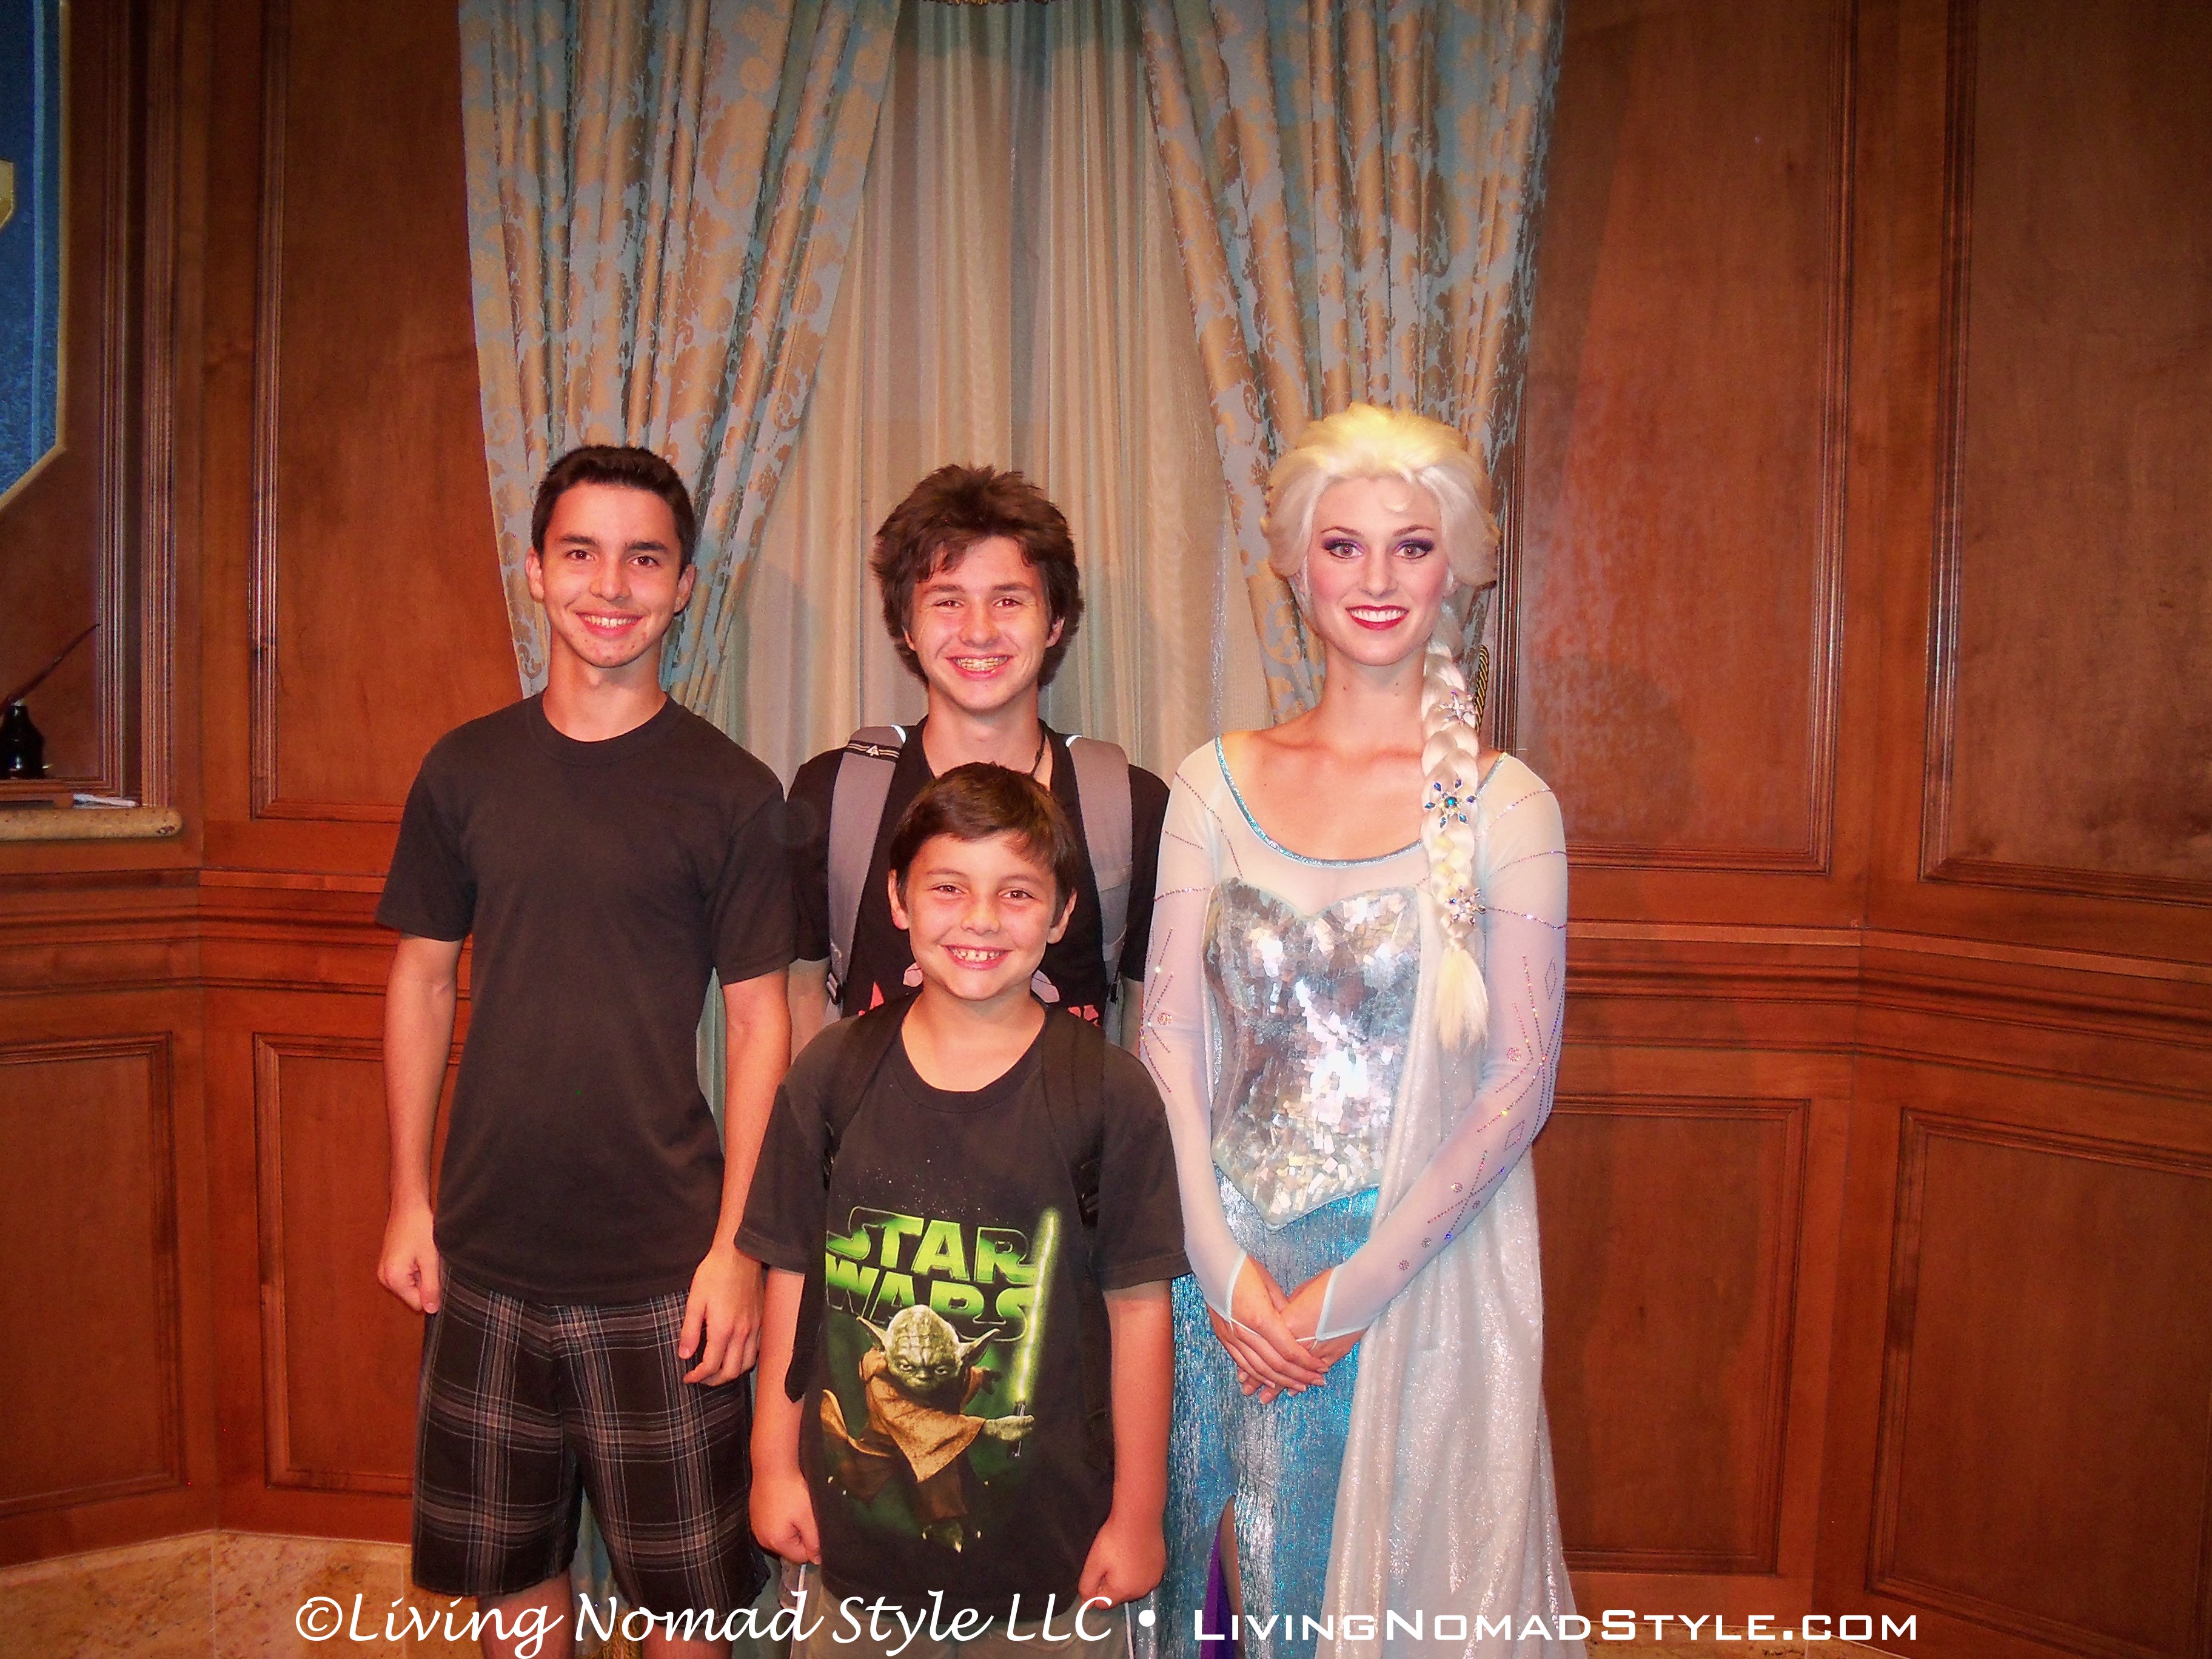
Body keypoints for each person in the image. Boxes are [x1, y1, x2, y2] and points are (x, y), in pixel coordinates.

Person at [1140, 406, 1580, 1658]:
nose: (1376, 580)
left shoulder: (1506, 805)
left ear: (1455, 570)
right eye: (1343, 546)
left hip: (1405, 1284)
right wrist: (1220, 1268)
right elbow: (1165, 1036)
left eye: (1410, 546)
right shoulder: (1211, 781)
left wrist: (1348, 1295)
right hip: (1215, 1274)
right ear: (1296, 564)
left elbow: (1521, 1082)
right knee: (1200, 1579)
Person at [375, 446, 794, 1658]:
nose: (611, 585)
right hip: (483, 1254)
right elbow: (420, 980)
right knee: (512, 1586)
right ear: (535, 571)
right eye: (582, 553)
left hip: (667, 1270)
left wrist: (738, 1252)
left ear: (684, 586)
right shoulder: (464, 769)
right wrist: (408, 1200)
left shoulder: (733, 793)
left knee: (688, 1605)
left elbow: (761, 1024)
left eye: (644, 559)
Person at [743, 765, 1188, 1659]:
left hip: (1051, 1570)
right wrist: (773, 1465)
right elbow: (791, 1276)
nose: (980, 919)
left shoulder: (1109, 1094)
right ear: (898, 899)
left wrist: (1138, 1516)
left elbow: (1140, 1312)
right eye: (948, 887)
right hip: (855, 1560)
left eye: (1016, 893)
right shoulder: (832, 1074)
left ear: (1061, 914)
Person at [786, 464, 1168, 1041]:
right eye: (948, 601)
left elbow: (1150, 1018)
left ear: (1055, 621)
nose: (980, 631)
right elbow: (800, 996)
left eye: (1008, 600)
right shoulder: (835, 796)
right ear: (906, 626)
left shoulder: (1132, 809)